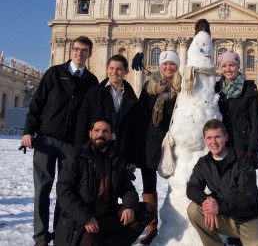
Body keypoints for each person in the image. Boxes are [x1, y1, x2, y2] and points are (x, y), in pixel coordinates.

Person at [21, 36, 99, 246]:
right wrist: (29, 131)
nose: (79, 53)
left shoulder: (92, 81)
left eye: (84, 50)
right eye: (76, 49)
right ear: (71, 51)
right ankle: (40, 235)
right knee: (42, 189)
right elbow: (36, 105)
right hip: (46, 140)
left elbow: (93, 114)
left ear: (89, 54)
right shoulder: (54, 74)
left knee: (66, 191)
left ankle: (60, 233)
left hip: (73, 145)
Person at [55, 118, 154, 246]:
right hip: (82, 221)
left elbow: (127, 189)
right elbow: (64, 191)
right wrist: (86, 217)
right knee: (90, 241)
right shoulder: (77, 157)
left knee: (147, 209)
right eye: (96, 130)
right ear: (90, 133)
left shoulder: (116, 158)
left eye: (105, 131)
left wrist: (129, 206)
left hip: (106, 216)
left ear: (111, 135)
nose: (100, 134)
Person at [187, 119, 258, 246]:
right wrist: (207, 202)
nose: (213, 142)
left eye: (217, 137)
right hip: (223, 218)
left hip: (247, 219)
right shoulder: (203, 163)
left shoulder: (242, 160)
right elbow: (192, 188)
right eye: (209, 138)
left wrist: (219, 206)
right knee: (194, 210)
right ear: (205, 140)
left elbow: (249, 196)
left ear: (226, 137)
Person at [138, 50, 181, 244]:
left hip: (174, 139)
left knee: (179, 180)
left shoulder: (183, 86)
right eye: (165, 64)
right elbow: (140, 112)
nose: (168, 67)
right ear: (160, 66)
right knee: (149, 183)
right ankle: (151, 225)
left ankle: (179, 221)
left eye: (172, 64)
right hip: (151, 139)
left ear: (177, 66)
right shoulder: (150, 85)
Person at [75, 55, 141, 172]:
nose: (114, 72)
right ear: (107, 69)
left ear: (126, 71)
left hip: (121, 152)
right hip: (96, 149)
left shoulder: (133, 100)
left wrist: (134, 158)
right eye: (111, 68)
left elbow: (135, 131)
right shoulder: (93, 93)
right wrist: (81, 150)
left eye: (119, 69)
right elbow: (82, 123)